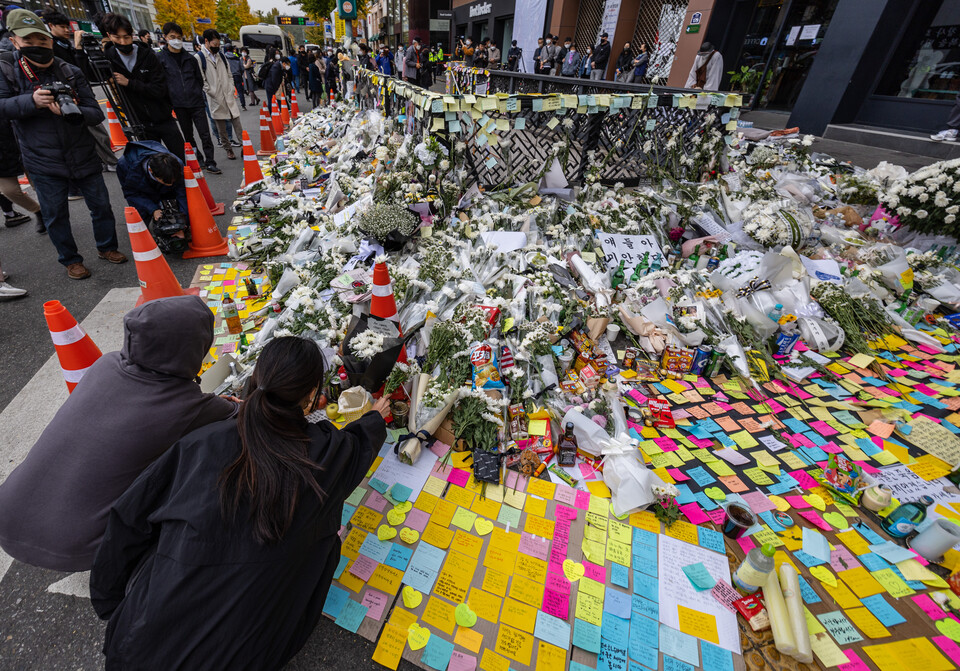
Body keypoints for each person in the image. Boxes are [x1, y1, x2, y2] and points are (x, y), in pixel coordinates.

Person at [90, 336, 389, 669]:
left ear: (256, 381)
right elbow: (358, 445)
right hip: (243, 656)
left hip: (135, 647)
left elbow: (129, 520)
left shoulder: (201, 443)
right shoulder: (326, 453)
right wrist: (376, 418)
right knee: (327, 537)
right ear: (310, 397)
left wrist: (111, 601)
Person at [0, 296, 240, 571]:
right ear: (194, 347)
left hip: (8, 512)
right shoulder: (186, 403)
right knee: (201, 463)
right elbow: (242, 412)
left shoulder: (106, 364)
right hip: (77, 548)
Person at [0, 9, 126, 279]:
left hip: (82, 153)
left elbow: (96, 113)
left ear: (50, 39)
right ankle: (70, 260)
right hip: (42, 159)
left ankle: (107, 247)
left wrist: (75, 111)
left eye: (42, 40)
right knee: (55, 214)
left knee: (101, 206)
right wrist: (32, 101)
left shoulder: (70, 70)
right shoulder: (7, 70)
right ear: (14, 41)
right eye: (28, 41)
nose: (37, 46)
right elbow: (3, 107)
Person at [101, 13, 184, 163]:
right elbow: (93, 76)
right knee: (153, 165)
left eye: (126, 37)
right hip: (140, 123)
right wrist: (80, 51)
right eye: (117, 37)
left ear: (132, 35)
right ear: (109, 36)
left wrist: (129, 83)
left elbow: (159, 89)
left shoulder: (148, 56)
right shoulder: (108, 58)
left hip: (163, 118)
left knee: (180, 159)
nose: (123, 42)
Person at [157, 22, 220, 174]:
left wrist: (196, 92)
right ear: (165, 37)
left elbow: (199, 79)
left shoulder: (190, 59)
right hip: (178, 104)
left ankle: (210, 161)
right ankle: (197, 158)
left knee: (205, 134)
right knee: (188, 135)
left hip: (196, 102)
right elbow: (161, 82)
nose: (176, 40)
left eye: (179, 37)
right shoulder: (160, 59)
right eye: (172, 37)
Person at [116, 140, 188, 245]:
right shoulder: (125, 166)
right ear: (151, 171)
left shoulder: (176, 164)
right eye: (166, 182)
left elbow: (183, 194)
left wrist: (183, 223)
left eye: (173, 182)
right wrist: (153, 209)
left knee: (184, 209)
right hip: (142, 191)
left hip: (162, 190)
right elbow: (132, 194)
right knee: (142, 225)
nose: (170, 184)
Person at [197, 29, 243, 161]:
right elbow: (201, 79)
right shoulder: (199, 57)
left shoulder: (221, 56)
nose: (217, 47)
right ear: (206, 41)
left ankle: (244, 146)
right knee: (221, 127)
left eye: (218, 44)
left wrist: (230, 87)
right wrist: (211, 91)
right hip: (215, 97)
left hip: (227, 94)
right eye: (215, 44)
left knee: (237, 122)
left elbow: (229, 74)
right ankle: (228, 149)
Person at [0, 116, 40, 230]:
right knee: (9, 191)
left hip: (25, 148)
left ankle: (52, 213)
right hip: (2, 160)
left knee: (41, 185)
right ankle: (39, 211)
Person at [261, 45, 283, 113]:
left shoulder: (273, 62)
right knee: (272, 99)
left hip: (269, 84)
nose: (278, 54)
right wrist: (276, 86)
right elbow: (274, 76)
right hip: (271, 84)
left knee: (272, 99)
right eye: (276, 53)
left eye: (278, 53)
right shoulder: (274, 64)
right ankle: (272, 113)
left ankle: (273, 112)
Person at [225, 46, 246, 111]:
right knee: (240, 91)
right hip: (237, 75)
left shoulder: (224, 58)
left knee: (229, 92)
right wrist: (240, 73)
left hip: (228, 76)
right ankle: (243, 105)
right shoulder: (236, 57)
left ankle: (231, 107)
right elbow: (242, 68)